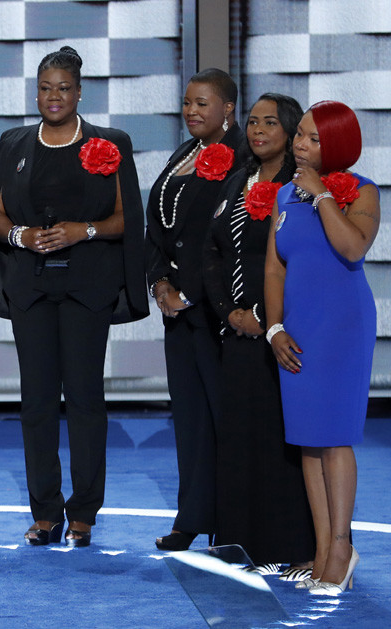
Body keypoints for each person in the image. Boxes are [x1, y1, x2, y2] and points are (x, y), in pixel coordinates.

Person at [0, 47, 148, 547]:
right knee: (38, 404)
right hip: (31, 289)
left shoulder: (109, 143)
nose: (54, 96)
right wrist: (21, 238)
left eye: (64, 88)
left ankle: (85, 512)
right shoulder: (15, 142)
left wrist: (81, 231)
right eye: (46, 87)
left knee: (87, 402)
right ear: (36, 92)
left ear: (79, 91)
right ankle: (46, 512)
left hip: (86, 290)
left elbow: (124, 219)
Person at [265, 100, 377, 595]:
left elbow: (353, 248)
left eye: (311, 138)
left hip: (343, 328)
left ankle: (340, 547)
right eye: (300, 136)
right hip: (298, 329)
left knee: (335, 438)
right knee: (308, 440)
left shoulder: (363, 191)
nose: (299, 144)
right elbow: (275, 268)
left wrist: (323, 197)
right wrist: (274, 328)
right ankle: (319, 549)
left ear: (336, 145)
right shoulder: (283, 196)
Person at [201, 94, 314, 573]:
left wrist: (269, 321)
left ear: (290, 132)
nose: (258, 130)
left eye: (270, 122)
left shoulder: (303, 187)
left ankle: (287, 547)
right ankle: (238, 544)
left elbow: (305, 263)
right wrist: (230, 313)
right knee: (238, 437)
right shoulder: (235, 183)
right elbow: (212, 253)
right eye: (251, 122)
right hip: (236, 333)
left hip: (284, 331)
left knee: (281, 440)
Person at [145, 68, 246, 551]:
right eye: (187, 103)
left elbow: (228, 241)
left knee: (225, 417)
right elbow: (158, 229)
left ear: (228, 108)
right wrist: (160, 282)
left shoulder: (244, 158)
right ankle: (192, 516)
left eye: (202, 103)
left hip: (215, 312)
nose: (192, 112)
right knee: (189, 418)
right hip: (177, 313)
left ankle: (233, 522)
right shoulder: (183, 155)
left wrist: (192, 292)